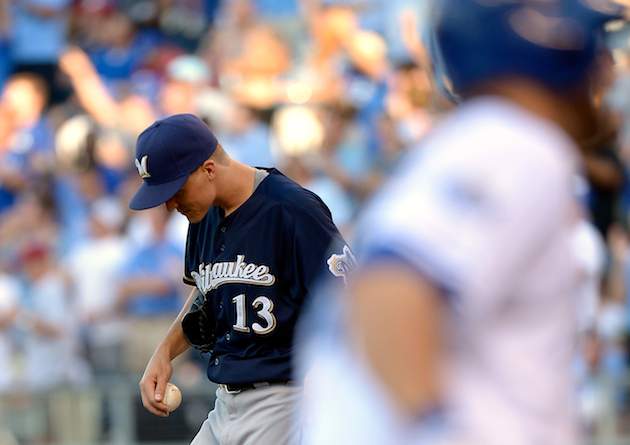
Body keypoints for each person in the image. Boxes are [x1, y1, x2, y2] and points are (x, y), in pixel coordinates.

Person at [298, 1, 625, 445]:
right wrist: (436, 427)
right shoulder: (513, 144)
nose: (604, 66)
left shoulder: (479, 142)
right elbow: (391, 288)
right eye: (592, 47)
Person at [129, 113, 352, 444]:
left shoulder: (291, 210)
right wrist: (165, 351)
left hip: (284, 400)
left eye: (175, 189)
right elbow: (205, 289)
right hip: (225, 403)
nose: (170, 204)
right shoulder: (202, 215)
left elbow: (348, 301)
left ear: (208, 169)